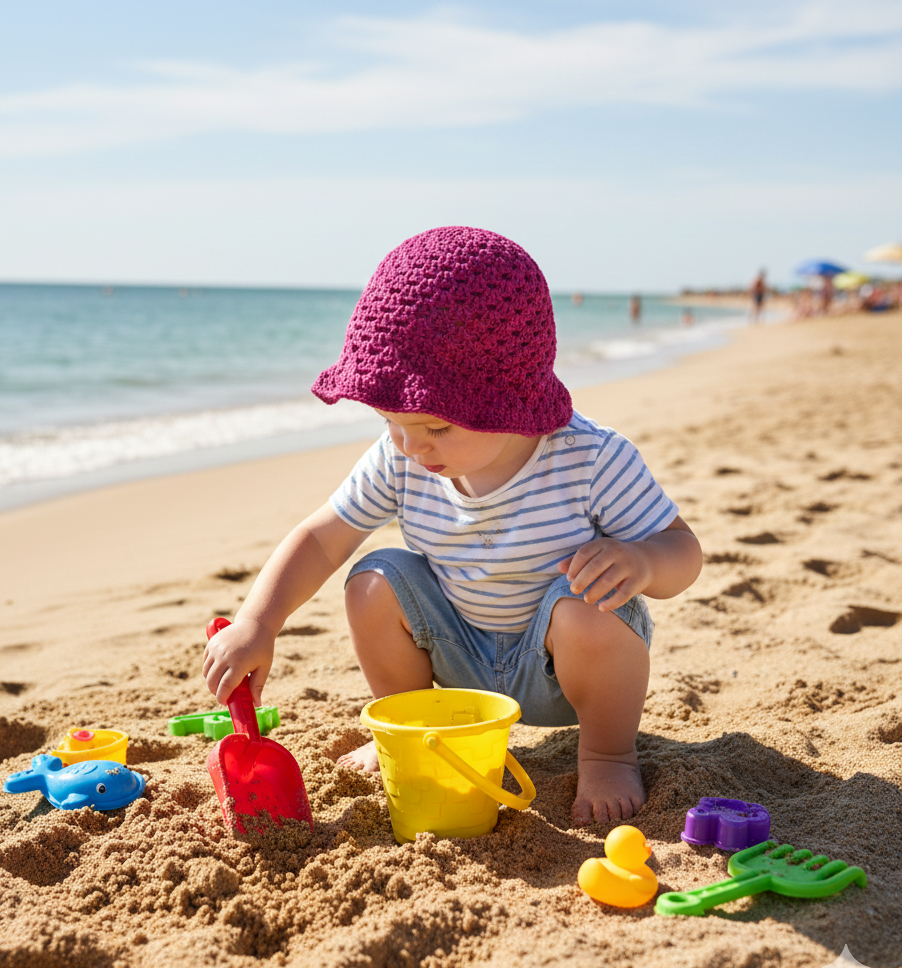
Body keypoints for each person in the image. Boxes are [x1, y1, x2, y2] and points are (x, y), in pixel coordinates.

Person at [202, 227, 702, 825]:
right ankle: (407, 722)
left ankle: (608, 754)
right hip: (460, 658)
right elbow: (322, 536)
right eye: (392, 421)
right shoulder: (403, 457)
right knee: (373, 579)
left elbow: (684, 551)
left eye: (436, 428)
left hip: (561, 669)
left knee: (585, 608)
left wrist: (644, 562)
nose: (411, 446)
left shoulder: (589, 459)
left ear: (508, 400)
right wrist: (260, 621)